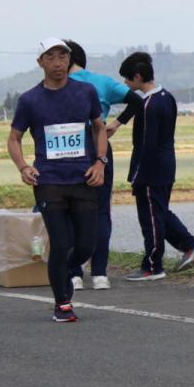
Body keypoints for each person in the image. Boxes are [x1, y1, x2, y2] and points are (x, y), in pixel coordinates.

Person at [7, 38, 107, 322]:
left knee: (86, 244)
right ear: (40, 62)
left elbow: (99, 128)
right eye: (50, 57)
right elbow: (14, 138)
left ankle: (60, 273)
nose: (58, 63)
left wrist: (100, 162)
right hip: (49, 181)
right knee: (61, 243)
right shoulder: (30, 99)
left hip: (84, 178)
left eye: (62, 56)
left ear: (69, 60)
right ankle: (62, 303)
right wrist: (23, 167)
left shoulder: (85, 92)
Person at [118, 51, 194, 281]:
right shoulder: (167, 97)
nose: (126, 84)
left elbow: (147, 145)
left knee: (150, 219)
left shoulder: (148, 105)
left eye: (127, 79)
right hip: (167, 165)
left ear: (138, 76)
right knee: (159, 212)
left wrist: (136, 176)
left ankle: (152, 266)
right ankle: (190, 245)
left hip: (151, 170)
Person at [62, 40, 141, 291]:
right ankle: (100, 273)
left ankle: (74, 272)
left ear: (68, 58)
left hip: (68, 149)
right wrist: (116, 124)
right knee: (100, 211)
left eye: (58, 56)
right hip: (101, 146)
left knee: (69, 210)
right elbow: (137, 101)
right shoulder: (103, 82)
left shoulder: (56, 84)